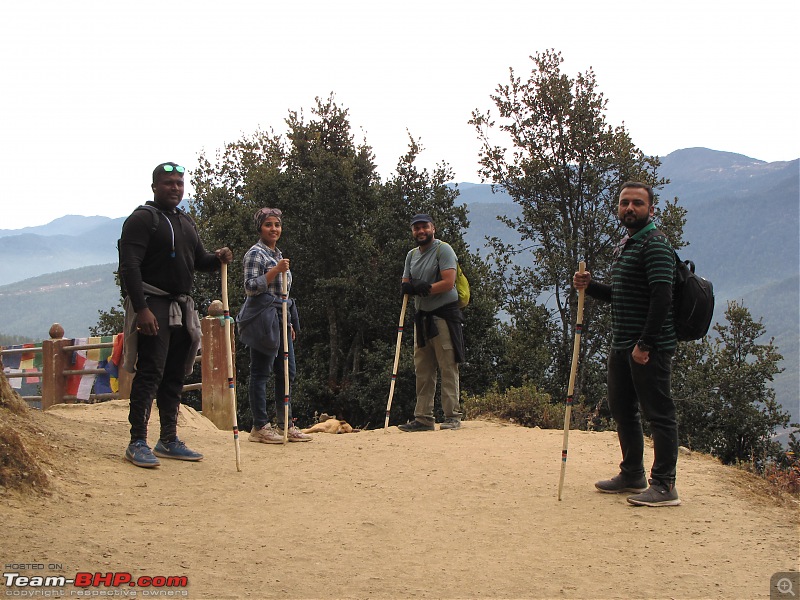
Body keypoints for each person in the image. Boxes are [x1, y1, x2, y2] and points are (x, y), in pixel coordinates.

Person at [573, 181, 680, 507]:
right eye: (624, 203)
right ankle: (633, 473)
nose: (629, 208)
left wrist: (645, 344)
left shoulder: (656, 245)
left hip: (649, 347)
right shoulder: (629, 244)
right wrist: (590, 287)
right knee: (623, 410)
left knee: (659, 414)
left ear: (651, 209)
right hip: (622, 344)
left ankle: (664, 485)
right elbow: (621, 296)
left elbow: (663, 298)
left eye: (637, 203)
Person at [119, 162, 233, 468]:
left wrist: (217, 259)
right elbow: (129, 266)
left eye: (179, 183)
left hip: (182, 308)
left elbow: (198, 260)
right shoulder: (142, 220)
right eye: (169, 183)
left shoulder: (185, 221)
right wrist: (142, 309)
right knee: (151, 372)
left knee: (173, 375)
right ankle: (137, 441)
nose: (175, 188)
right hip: (153, 305)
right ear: (155, 186)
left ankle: (168, 438)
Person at [240, 207, 311, 444]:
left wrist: (288, 322)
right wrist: (275, 271)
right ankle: (259, 425)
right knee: (261, 371)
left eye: (277, 225)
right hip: (262, 319)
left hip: (280, 318)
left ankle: (286, 423)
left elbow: (284, 294)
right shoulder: (255, 254)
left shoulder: (277, 253)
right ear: (260, 227)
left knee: (287, 371)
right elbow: (251, 286)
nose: (274, 229)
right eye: (269, 225)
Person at [398, 214, 465, 432]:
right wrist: (412, 287)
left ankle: (452, 416)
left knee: (448, 366)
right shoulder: (411, 255)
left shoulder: (443, 250)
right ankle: (423, 418)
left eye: (424, 227)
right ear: (412, 231)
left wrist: (423, 288)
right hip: (423, 316)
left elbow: (448, 282)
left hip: (444, 315)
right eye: (416, 228)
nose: (421, 231)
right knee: (423, 369)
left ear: (433, 228)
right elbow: (406, 282)